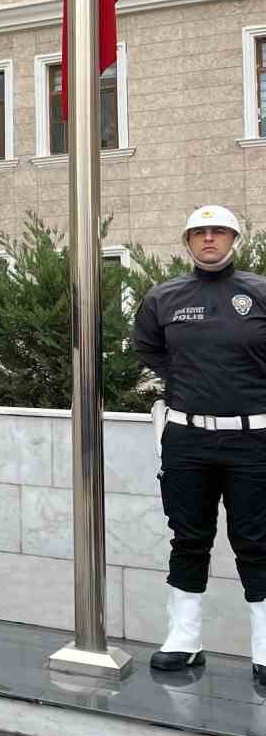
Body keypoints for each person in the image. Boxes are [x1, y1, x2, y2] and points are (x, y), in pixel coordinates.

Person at [134, 205, 266, 685]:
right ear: (187, 242)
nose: (209, 239)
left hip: (253, 440)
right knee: (188, 538)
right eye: (199, 233)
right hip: (187, 439)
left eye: (218, 232)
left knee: (256, 542)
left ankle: (264, 648)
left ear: (234, 239)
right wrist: (185, 379)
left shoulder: (259, 292)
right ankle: (184, 640)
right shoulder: (164, 297)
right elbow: (147, 346)